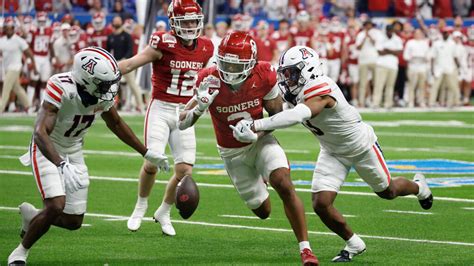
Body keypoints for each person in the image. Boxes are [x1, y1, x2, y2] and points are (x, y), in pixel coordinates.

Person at [232, 45, 433, 263]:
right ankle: (354, 242)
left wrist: (255, 124)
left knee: (388, 191)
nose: (287, 78)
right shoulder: (294, 91)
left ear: (307, 70)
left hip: (361, 147)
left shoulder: (322, 87)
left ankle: (420, 188)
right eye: (285, 73)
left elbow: (298, 115)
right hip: (331, 150)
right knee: (321, 203)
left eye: (291, 73)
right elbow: (278, 113)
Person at [7, 46, 169, 265]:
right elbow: (39, 133)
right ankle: (20, 252)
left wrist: (147, 153)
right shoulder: (60, 86)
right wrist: (60, 164)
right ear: (87, 80)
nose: (109, 89)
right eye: (104, 83)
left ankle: (33, 216)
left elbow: (117, 123)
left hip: (74, 150)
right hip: (48, 148)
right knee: (56, 205)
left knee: (73, 221)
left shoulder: (99, 94)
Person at [178, 31, 319, 266]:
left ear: (251, 64)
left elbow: (276, 116)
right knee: (263, 212)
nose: (229, 71)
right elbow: (182, 122)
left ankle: (305, 249)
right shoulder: (209, 78)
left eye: (236, 66)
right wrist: (199, 108)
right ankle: (259, 182)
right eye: (225, 64)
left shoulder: (264, 74)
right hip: (232, 152)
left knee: (283, 182)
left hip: (260, 142)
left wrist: (257, 132)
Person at [119, 0, 214, 236]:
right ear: (173, 23)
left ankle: (164, 211)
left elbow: (211, 77)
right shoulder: (164, 42)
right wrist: (107, 71)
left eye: (194, 21)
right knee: (151, 163)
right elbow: (131, 64)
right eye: (186, 21)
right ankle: (140, 206)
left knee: (184, 172)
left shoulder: (206, 47)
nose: (191, 26)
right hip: (161, 108)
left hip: (185, 111)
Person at [106, 15, 144, 113]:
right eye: (115, 21)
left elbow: (130, 50)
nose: (117, 23)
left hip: (127, 63)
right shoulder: (111, 37)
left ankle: (140, 105)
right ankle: (112, 105)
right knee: (111, 85)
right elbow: (107, 51)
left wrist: (124, 60)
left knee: (132, 85)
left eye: (118, 21)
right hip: (115, 64)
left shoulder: (127, 36)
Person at [0, 17, 37, 113]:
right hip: (7, 68)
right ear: (4, 28)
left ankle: (1, 107)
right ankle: (28, 106)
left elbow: (29, 53)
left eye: (11, 28)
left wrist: (34, 66)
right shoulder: (2, 40)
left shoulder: (19, 40)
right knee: (17, 88)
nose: (9, 30)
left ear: (14, 28)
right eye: (7, 28)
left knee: (6, 86)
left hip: (16, 67)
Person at [373, 24, 403, 108]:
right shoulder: (380, 38)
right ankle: (376, 103)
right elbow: (380, 52)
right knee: (379, 85)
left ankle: (388, 103)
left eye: (391, 30)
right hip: (381, 64)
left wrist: (388, 50)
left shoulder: (397, 39)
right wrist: (393, 51)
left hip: (393, 65)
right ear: (386, 30)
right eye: (388, 30)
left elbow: (399, 52)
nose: (390, 32)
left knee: (390, 86)